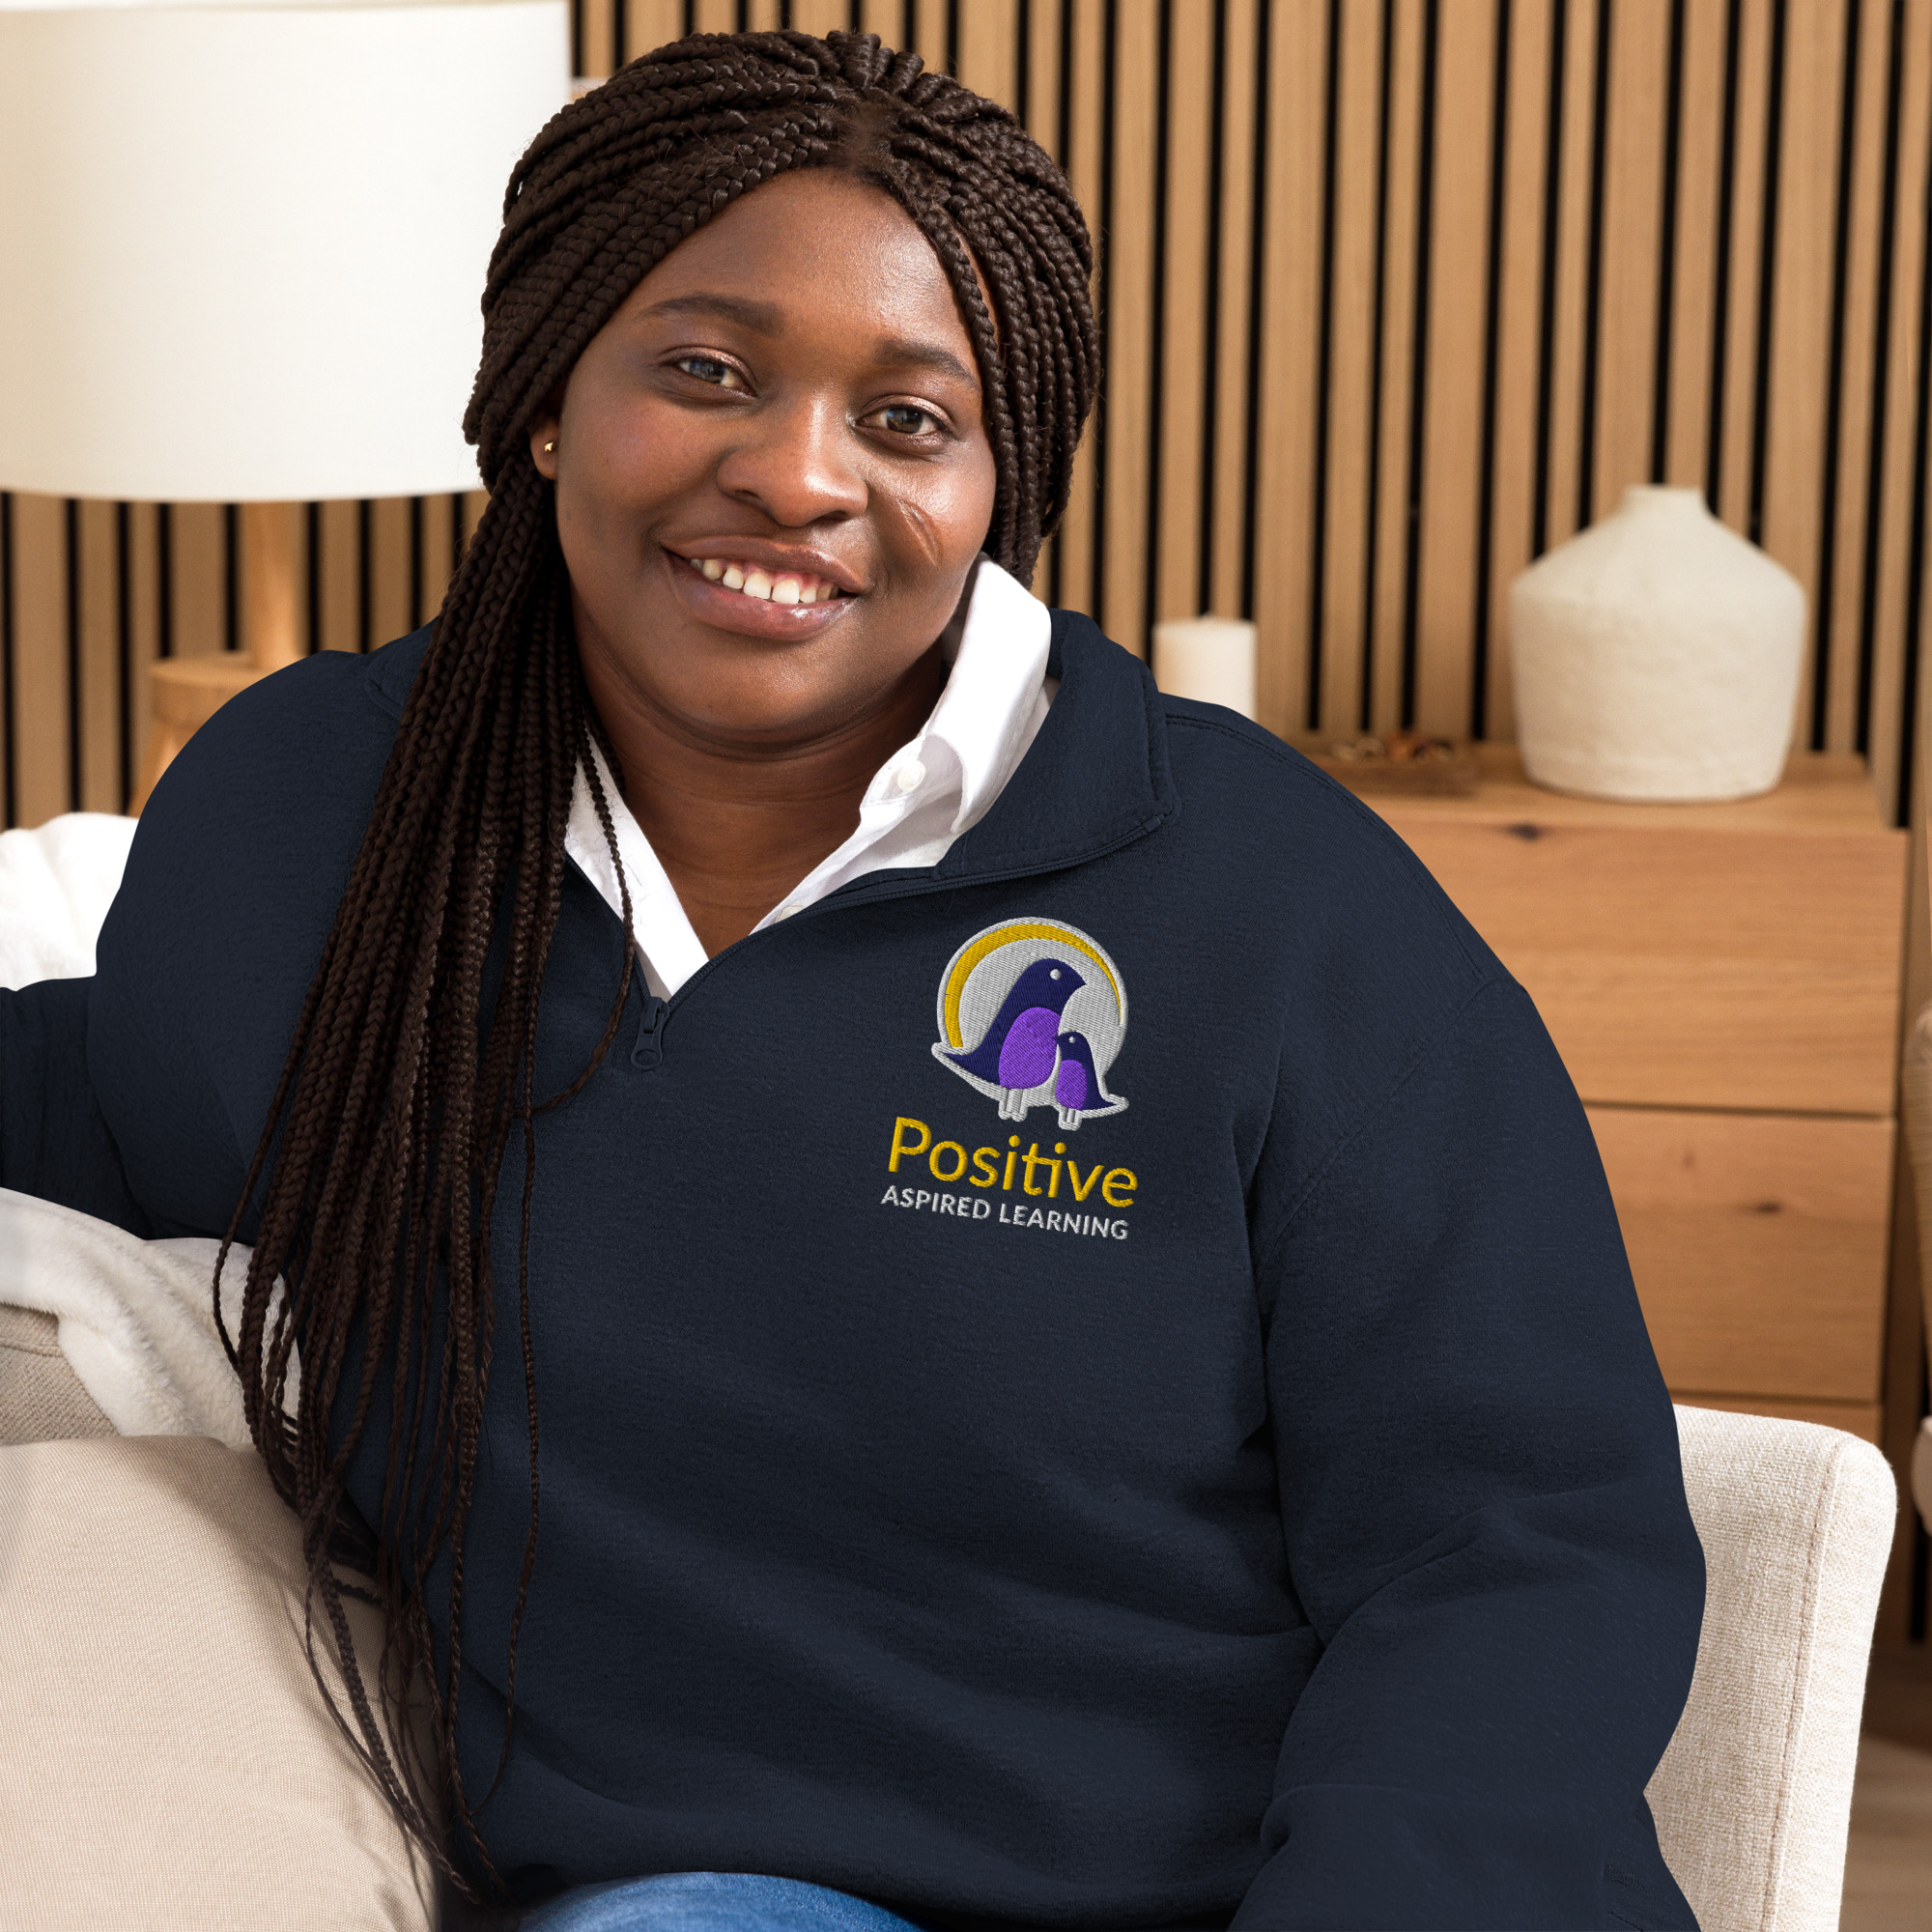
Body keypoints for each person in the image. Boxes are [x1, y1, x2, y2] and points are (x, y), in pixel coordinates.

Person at [0, 28, 1705, 1932]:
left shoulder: (1280, 909)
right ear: (546, 395)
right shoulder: (318, 834)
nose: (796, 476)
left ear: (998, 482)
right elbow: (118, 1088)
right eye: (705, 370)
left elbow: (1521, 1542)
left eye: (906, 419)